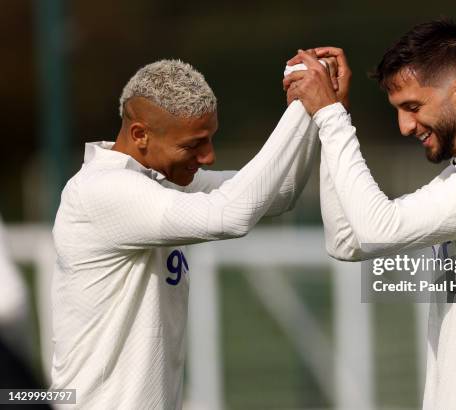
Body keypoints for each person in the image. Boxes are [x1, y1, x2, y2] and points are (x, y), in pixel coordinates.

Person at [284, 19, 456, 409]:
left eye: (413, 107)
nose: (404, 125)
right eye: (399, 110)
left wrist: (332, 117)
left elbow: (377, 230)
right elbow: (347, 240)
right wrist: (336, 115)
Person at [51, 59, 320, 408]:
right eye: (194, 145)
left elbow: (279, 190)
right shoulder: (102, 190)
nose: (208, 157)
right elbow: (230, 217)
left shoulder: (158, 181)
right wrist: (305, 104)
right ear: (139, 135)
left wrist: (316, 110)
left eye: (210, 139)